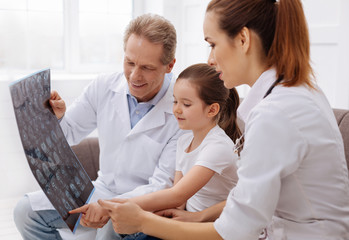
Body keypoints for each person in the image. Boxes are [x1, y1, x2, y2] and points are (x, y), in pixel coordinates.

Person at [98, 0, 349, 239]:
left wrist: (143, 221)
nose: (210, 59)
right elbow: (255, 196)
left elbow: (235, 232)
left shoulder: (276, 113)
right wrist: (201, 216)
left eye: (213, 44)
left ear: (243, 39)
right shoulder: (295, 93)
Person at [13, 13, 182, 240]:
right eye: (129, 62)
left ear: (169, 65)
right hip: (101, 191)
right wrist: (58, 118)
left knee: (111, 229)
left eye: (147, 67)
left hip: (143, 205)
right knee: (26, 212)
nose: (134, 75)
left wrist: (112, 207)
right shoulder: (104, 86)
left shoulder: (182, 108)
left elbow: (162, 186)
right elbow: (69, 133)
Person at [96, 63, 241, 239]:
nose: (177, 109)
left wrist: (113, 205)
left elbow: (176, 196)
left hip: (211, 230)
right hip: (187, 222)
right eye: (175, 101)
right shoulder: (184, 141)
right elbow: (178, 201)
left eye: (186, 104)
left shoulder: (217, 147)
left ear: (212, 109)